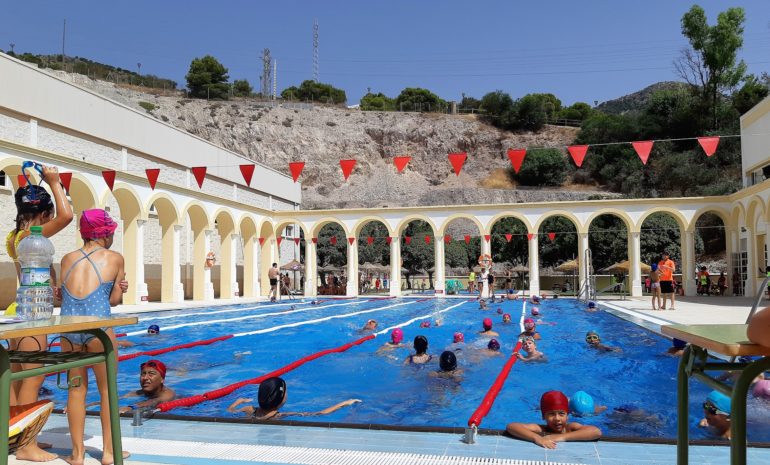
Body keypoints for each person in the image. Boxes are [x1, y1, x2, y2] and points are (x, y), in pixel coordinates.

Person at [5, 164, 73, 462]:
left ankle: (18, 438)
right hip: (33, 315)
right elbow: (68, 216)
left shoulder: (14, 236)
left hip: (19, 310)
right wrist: (55, 183)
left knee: (19, 380)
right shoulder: (31, 236)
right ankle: (25, 447)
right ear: (44, 215)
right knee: (32, 380)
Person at [59, 209, 129, 465]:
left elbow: (62, 297)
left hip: (68, 332)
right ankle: (109, 453)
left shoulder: (67, 259)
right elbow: (113, 301)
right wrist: (122, 290)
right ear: (105, 233)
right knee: (107, 390)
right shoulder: (115, 258)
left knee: (76, 391)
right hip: (99, 330)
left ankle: (77, 454)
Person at [227, 377, 360, 419]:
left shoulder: (249, 409)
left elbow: (231, 411)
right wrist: (344, 403)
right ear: (281, 399)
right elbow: (319, 413)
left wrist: (239, 401)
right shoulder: (279, 416)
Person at [505, 391, 602, 449]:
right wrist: (537, 438)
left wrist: (558, 437)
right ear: (543, 416)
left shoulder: (571, 428)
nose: (557, 419)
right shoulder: (541, 429)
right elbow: (512, 426)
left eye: (561, 414)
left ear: (567, 416)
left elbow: (596, 432)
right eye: (551, 414)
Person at [108, 360, 176, 414]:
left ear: (162, 379)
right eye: (143, 374)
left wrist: (130, 407)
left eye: (151, 374)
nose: (145, 378)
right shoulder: (140, 392)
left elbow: (153, 401)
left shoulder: (168, 394)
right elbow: (120, 398)